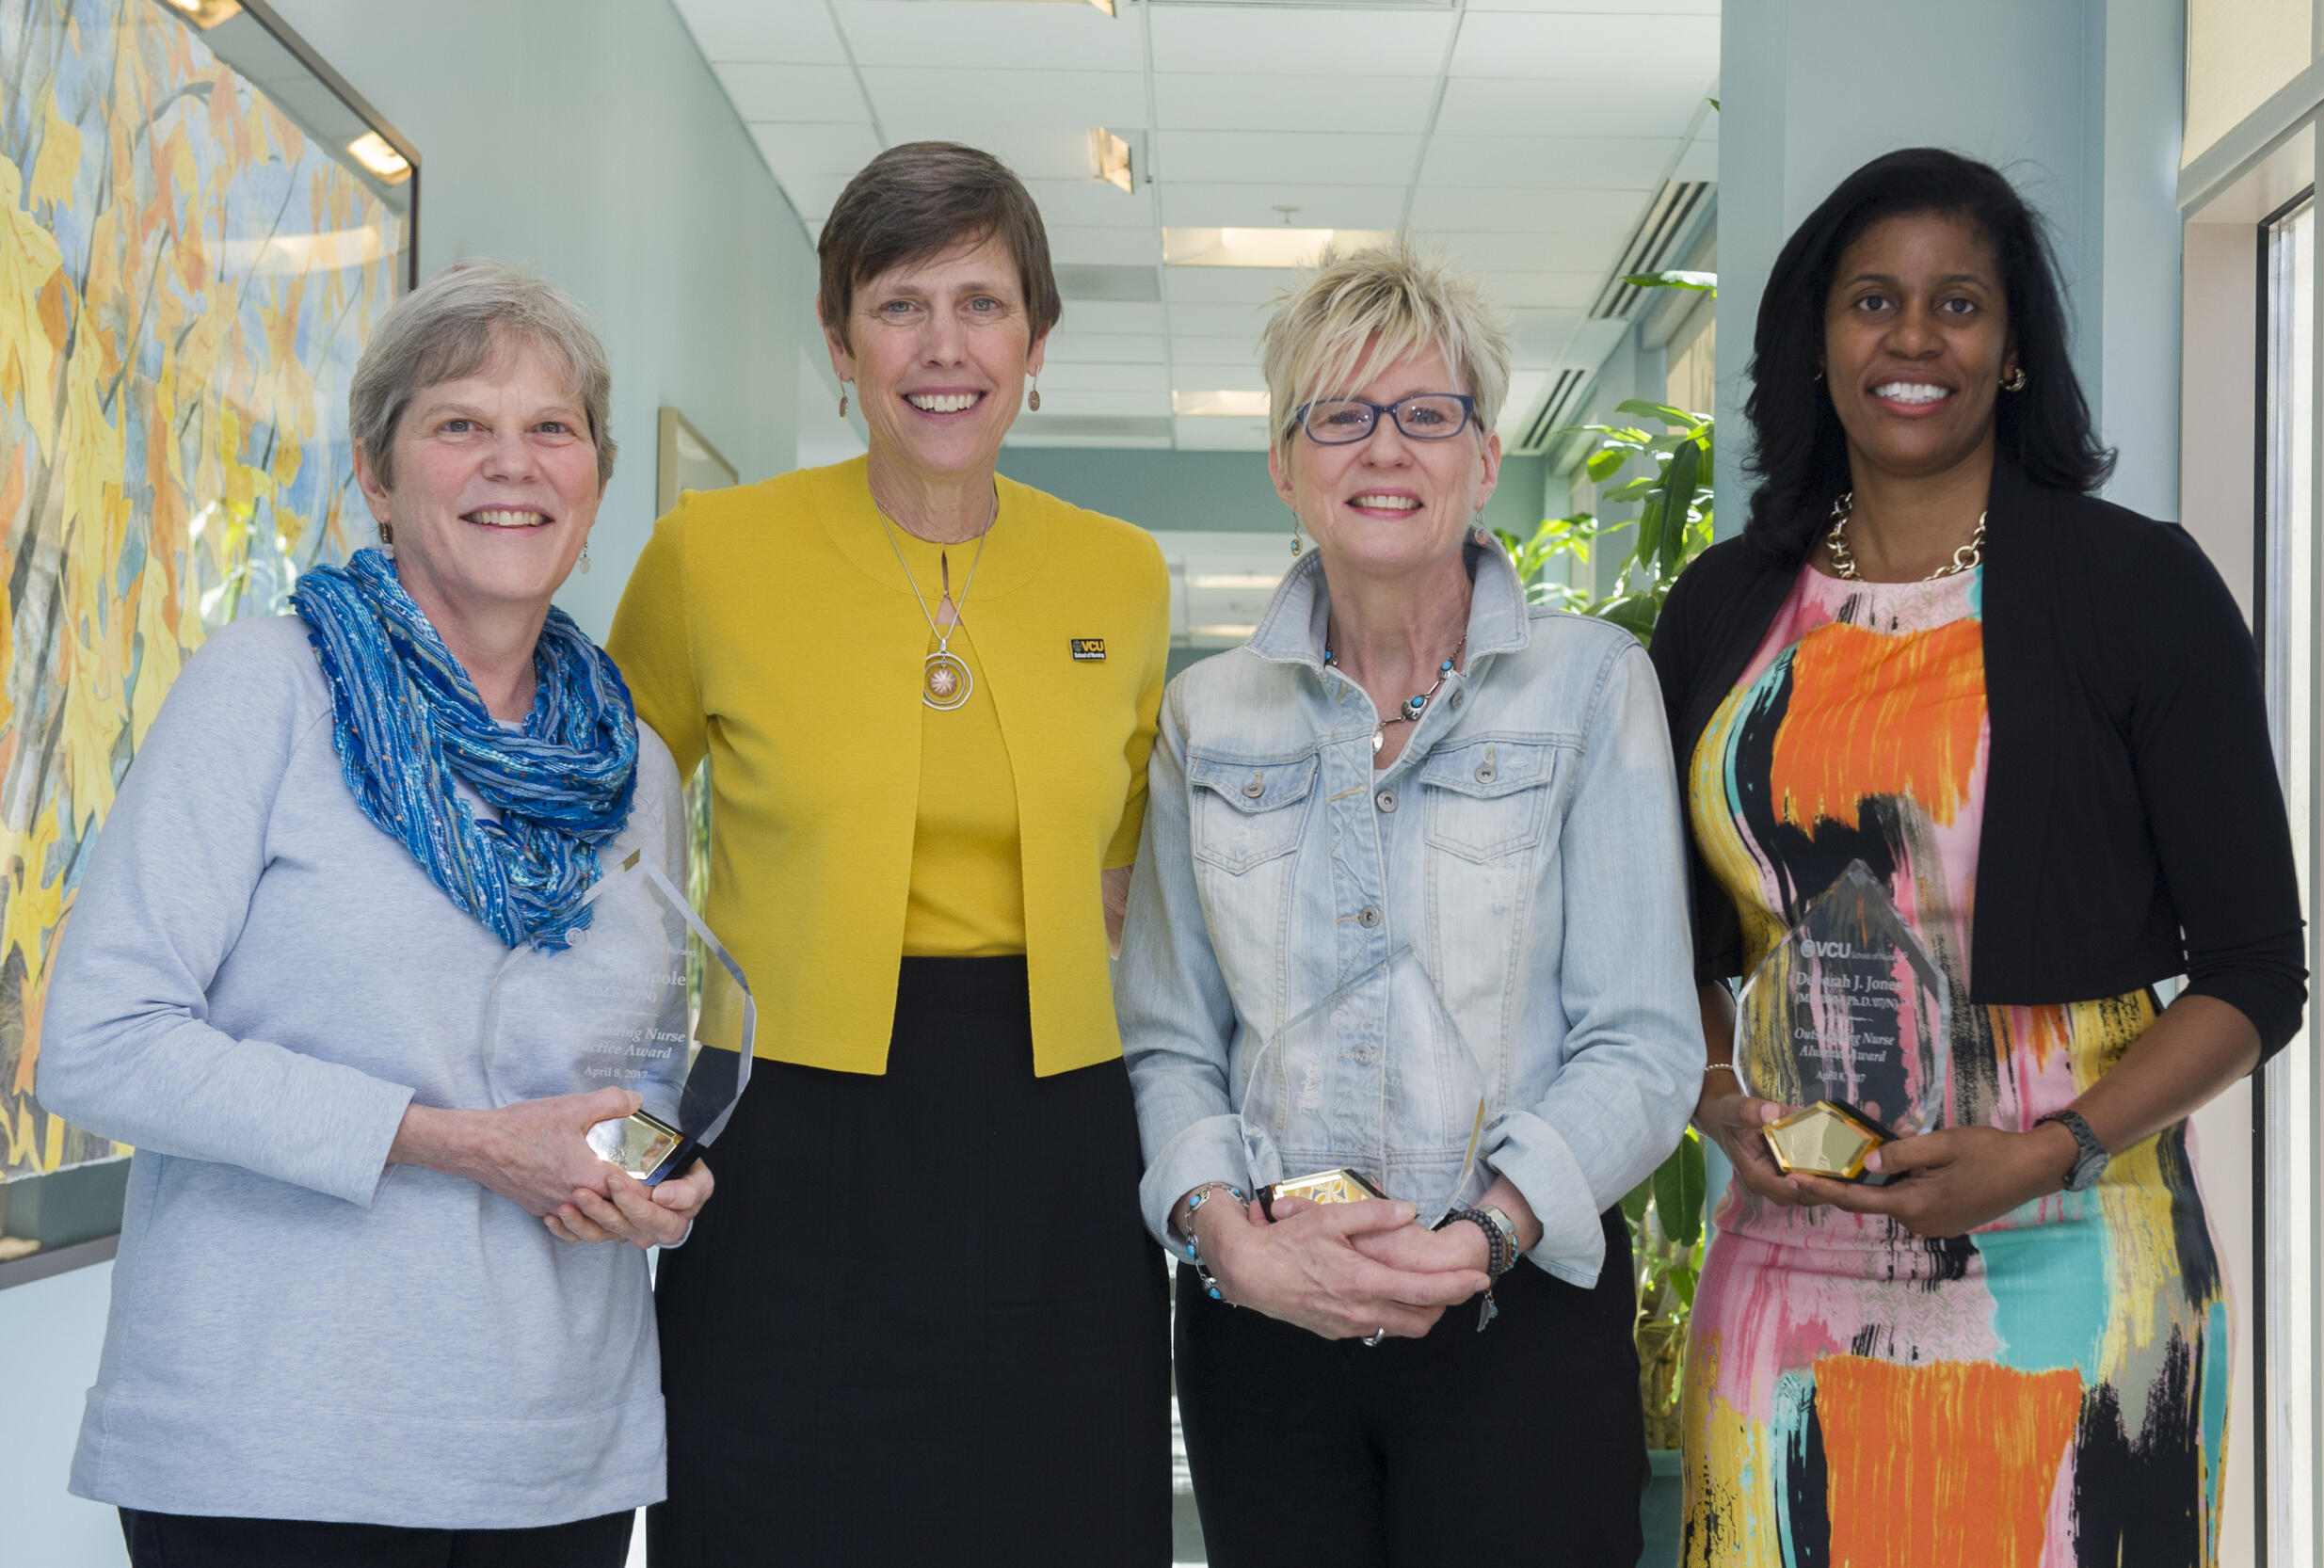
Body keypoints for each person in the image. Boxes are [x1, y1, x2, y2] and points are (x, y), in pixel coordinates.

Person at [1655, 149, 2305, 1565]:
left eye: (1960, 305)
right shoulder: (1723, 608)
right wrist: (1717, 1099)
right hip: (1791, 1281)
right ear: (1817, 338)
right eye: (1873, 300)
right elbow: (1667, 946)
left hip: (2076, 1269)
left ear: (2013, 353)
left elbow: (2259, 973)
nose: (1913, 338)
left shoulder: (2139, 589)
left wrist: (2049, 1149)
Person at [36, 262, 713, 1568]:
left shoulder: (631, 765)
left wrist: (657, 1172)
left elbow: (638, 1066)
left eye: (551, 428)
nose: (509, 463)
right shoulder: (266, 694)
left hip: (549, 1453)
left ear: (596, 477)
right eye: (459, 423)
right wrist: (455, 1141)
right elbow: (100, 1039)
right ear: (378, 474)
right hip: (274, 1441)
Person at [607, 141, 1171, 1567]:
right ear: (839, 337)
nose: (943, 348)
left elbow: (1127, 870)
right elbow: (598, 832)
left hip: (1058, 1120)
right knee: (770, 1503)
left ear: (1037, 343)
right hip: (779, 1119)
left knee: (1055, 1507)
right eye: (899, 303)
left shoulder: (1121, 572)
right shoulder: (711, 553)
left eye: (982, 304)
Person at [1116, 244, 1705, 1567]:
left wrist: (1489, 1229)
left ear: (1484, 456)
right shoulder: (1208, 717)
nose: (1386, 447)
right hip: (1263, 1328)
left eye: (1427, 412)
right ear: (1285, 463)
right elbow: (1167, 1038)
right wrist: (1229, 1240)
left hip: (1516, 1324)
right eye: (1341, 413)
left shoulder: (1592, 688)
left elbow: (1646, 1040)